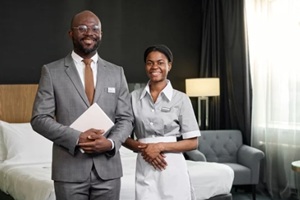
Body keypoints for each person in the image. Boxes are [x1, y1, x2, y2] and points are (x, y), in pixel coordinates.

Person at [31, 10, 134, 200]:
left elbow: (126, 118)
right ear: (71, 33)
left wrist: (111, 143)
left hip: (109, 172)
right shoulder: (52, 72)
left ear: (101, 34)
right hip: (69, 171)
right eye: (82, 28)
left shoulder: (116, 72)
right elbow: (39, 119)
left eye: (95, 28)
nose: (89, 33)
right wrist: (77, 137)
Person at [123, 44, 201, 200]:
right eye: (150, 62)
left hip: (172, 165)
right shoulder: (132, 98)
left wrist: (159, 147)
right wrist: (145, 148)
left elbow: (193, 143)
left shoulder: (181, 99)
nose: (154, 67)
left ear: (169, 66)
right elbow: (123, 136)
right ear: (145, 66)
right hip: (144, 163)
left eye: (160, 62)